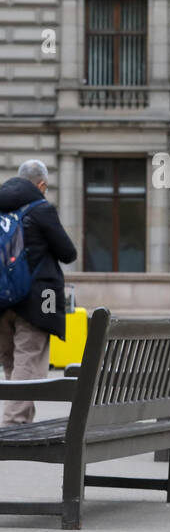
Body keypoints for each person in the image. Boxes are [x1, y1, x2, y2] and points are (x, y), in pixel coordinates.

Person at [0, 160, 77, 426]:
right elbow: (68, 253)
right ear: (41, 184)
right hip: (35, 302)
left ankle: (22, 422)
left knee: (13, 364)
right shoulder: (41, 209)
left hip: (1, 300)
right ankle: (12, 427)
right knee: (28, 364)